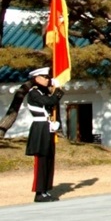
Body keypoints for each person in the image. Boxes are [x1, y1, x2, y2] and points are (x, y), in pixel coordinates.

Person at [25, 67, 64, 202]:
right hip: (40, 128)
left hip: (47, 127)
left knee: (49, 159)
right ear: (36, 78)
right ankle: (38, 192)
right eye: (45, 77)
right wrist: (58, 90)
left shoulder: (44, 92)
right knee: (41, 161)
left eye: (48, 77)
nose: (48, 79)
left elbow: (51, 104)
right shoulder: (33, 93)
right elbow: (49, 102)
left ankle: (46, 190)